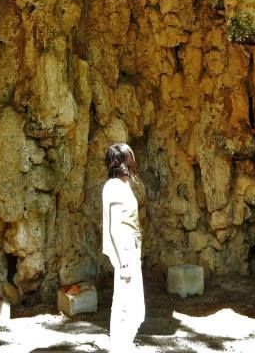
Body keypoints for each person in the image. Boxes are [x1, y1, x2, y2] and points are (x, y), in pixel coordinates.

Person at [102, 142, 145, 352]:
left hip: (131, 250)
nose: (134, 161)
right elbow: (114, 229)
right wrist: (124, 262)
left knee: (135, 307)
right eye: (131, 157)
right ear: (123, 161)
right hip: (125, 252)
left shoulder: (123, 185)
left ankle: (124, 345)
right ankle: (120, 348)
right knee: (124, 305)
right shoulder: (113, 187)